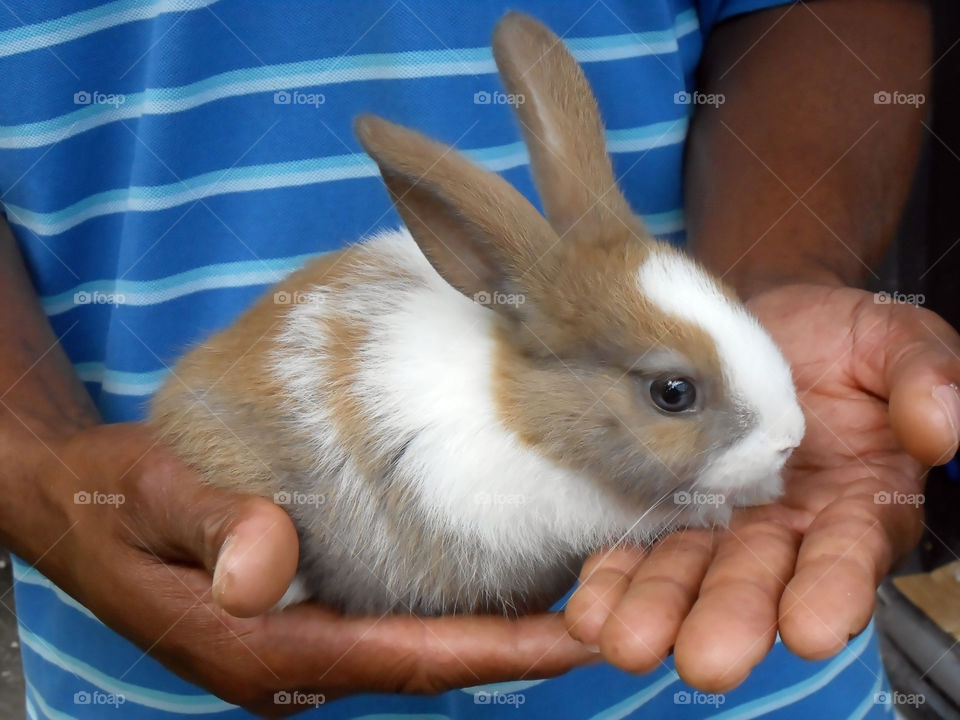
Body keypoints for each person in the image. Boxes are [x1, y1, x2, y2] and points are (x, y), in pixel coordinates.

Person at [0, 0, 951, 717]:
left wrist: (787, 272)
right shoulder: (497, 420)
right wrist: (37, 466)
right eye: (674, 395)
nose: (788, 438)